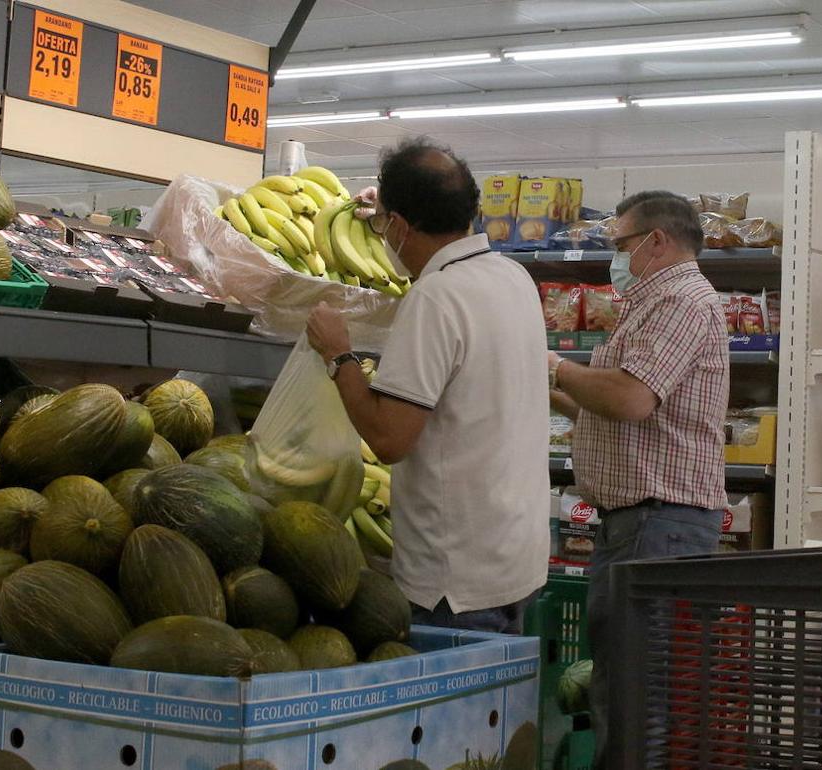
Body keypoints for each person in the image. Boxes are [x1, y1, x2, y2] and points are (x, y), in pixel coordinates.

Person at [306, 137, 549, 634]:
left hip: (454, 584)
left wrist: (338, 355)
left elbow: (390, 439)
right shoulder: (514, 278)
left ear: (397, 225)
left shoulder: (436, 297)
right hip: (514, 560)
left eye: (385, 224)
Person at [547, 191, 728, 767]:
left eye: (618, 244)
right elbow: (622, 416)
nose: (613, 257)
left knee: (637, 697)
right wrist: (546, 390)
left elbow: (629, 398)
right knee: (624, 690)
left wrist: (554, 364)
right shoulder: (649, 302)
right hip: (639, 523)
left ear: (656, 241)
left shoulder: (679, 300)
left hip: (658, 525)